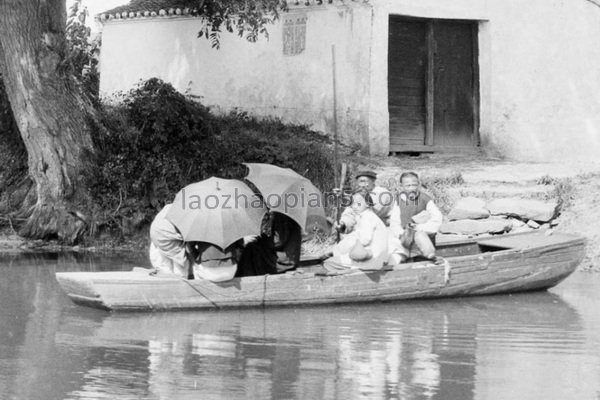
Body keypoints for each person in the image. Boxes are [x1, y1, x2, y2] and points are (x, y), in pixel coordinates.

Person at [325, 189, 389, 272]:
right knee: (336, 258)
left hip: (370, 259)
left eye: (358, 204)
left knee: (329, 263)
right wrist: (337, 250)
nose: (355, 207)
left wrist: (338, 250)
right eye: (352, 204)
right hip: (375, 257)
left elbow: (364, 240)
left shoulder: (367, 218)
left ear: (367, 204)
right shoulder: (364, 216)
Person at [388, 172, 443, 265]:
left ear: (418, 184)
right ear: (402, 186)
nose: (412, 188)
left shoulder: (425, 199)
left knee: (421, 242)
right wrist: (401, 233)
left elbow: (437, 219)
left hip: (424, 236)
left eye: (414, 185)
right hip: (406, 236)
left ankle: (430, 258)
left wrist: (420, 227)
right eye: (408, 186)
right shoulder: (398, 200)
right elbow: (394, 221)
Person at [235, 211, 302, 277]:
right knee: (252, 248)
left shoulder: (281, 214)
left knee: (251, 249)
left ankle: (246, 281)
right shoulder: (291, 214)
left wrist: (261, 237)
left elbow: (278, 242)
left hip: (283, 262)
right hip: (290, 258)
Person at [149, 203, 190, 277]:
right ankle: (180, 282)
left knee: (165, 267)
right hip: (166, 236)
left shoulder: (170, 206)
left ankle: (166, 274)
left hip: (155, 233)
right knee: (181, 268)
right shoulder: (189, 212)